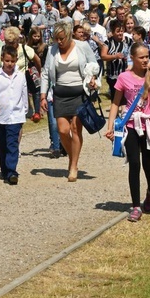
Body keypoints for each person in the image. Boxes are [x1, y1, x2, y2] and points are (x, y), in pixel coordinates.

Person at [105, 42, 150, 222]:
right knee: (134, 164)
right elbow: (115, 103)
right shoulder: (123, 78)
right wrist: (111, 126)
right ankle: (136, 206)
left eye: (147, 56)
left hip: (149, 126)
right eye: (142, 57)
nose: (146, 60)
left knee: (149, 164)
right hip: (130, 125)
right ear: (132, 58)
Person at [40, 20, 98, 182]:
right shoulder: (52, 50)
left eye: (61, 38)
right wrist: (43, 96)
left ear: (69, 35)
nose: (59, 42)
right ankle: (73, 157)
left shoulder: (82, 46)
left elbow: (94, 64)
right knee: (63, 131)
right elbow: (45, 73)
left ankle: (73, 166)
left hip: (79, 93)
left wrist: (93, 77)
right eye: (56, 38)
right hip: (60, 94)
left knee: (75, 128)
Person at [0, 45, 28, 185]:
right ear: (2, 59)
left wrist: (25, 110)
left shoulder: (20, 76)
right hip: (0, 116)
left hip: (16, 116)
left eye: (12, 61)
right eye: (7, 61)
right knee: (2, 143)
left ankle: (12, 172)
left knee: (12, 143)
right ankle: (4, 169)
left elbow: (24, 94)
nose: (10, 64)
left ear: (16, 61)